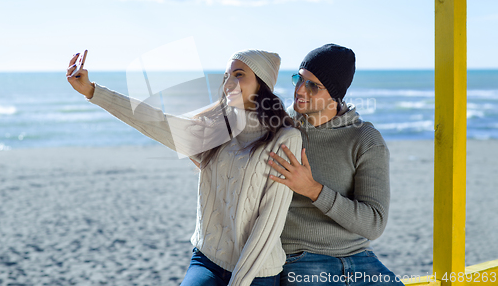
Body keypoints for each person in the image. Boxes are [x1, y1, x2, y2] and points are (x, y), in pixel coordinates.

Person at [66, 49, 302, 286]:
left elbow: (269, 222)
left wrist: (238, 282)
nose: (228, 83)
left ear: (261, 84)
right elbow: (154, 120)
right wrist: (92, 91)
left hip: (257, 270)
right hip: (208, 259)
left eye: (238, 75)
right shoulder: (216, 126)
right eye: (226, 76)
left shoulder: (285, 138)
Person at [266, 44, 404, 286]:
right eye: (298, 79)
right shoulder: (280, 128)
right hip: (303, 258)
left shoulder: (365, 139)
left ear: (335, 93)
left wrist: (313, 190)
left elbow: (374, 224)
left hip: (360, 258)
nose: (300, 89)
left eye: (312, 85)